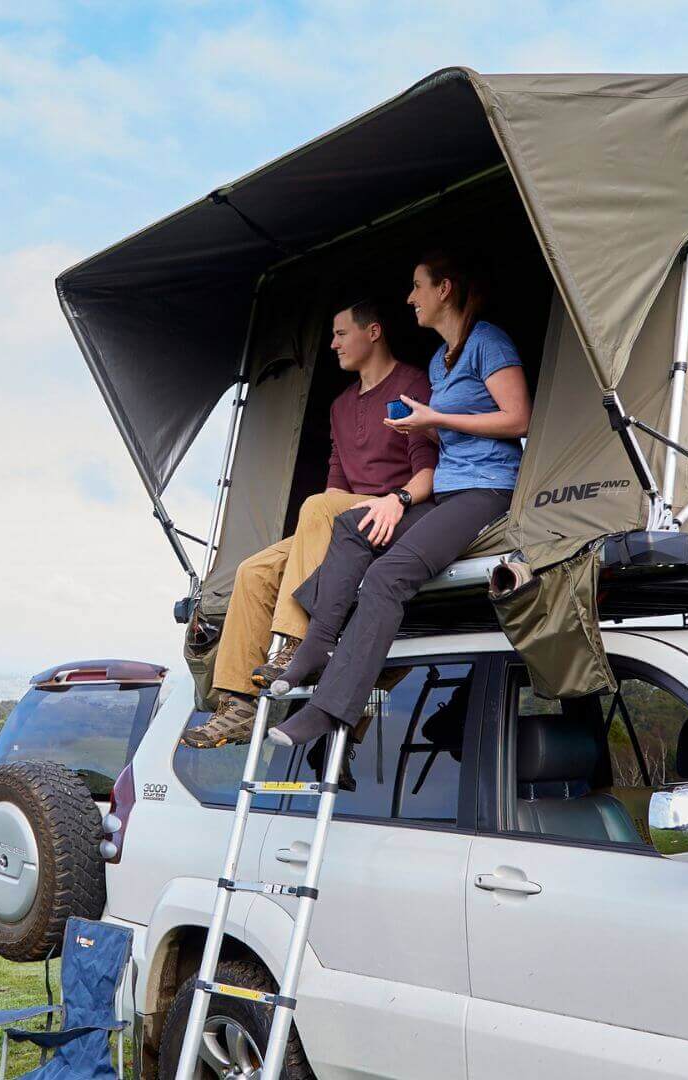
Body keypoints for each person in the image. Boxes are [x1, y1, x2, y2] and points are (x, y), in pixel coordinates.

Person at [265, 250, 530, 748]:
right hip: (447, 492)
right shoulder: (439, 360)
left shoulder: (487, 343)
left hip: (488, 489)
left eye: (416, 286)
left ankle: (328, 710)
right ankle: (317, 647)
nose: (409, 298)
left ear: (443, 289)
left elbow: (519, 419)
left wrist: (435, 420)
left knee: (387, 577)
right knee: (353, 525)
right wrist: (398, 498)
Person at [179, 301, 436, 749]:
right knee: (253, 571)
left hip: (398, 515)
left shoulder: (413, 383)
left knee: (318, 507)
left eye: (340, 333)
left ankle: (300, 646)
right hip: (343, 519)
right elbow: (336, 485)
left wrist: (394, 501)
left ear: (372, 332)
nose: (332, 343)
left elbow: (430, 473)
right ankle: (239, 703)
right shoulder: (339, 406)